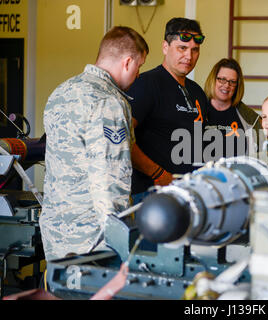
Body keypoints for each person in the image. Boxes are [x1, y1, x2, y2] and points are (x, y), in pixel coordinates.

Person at [40, 26, 148, 261]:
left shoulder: (61, 91)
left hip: (55, 232)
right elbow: (110, 177)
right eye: (139, 67)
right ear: (127, 62)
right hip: (94, 240)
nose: (138, 75)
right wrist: (121, 238)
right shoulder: (108, 101)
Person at [127, 17, 209, 201]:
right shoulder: (146, 84)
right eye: (182, 48)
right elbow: (122, 138)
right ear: (165, 47)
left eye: (195, 50)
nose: (189, 56)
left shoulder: (196, 91)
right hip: (150, 193)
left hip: (189, 193)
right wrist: (157, 173)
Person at [203, 58, 262, 160]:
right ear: (213, 79)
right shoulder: (197, 109)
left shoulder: (250, 117)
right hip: (201, 174)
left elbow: (263, 151)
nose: (226, 85)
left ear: (237, 86)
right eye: (222, 79)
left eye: (232, 82)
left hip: (237, 174)